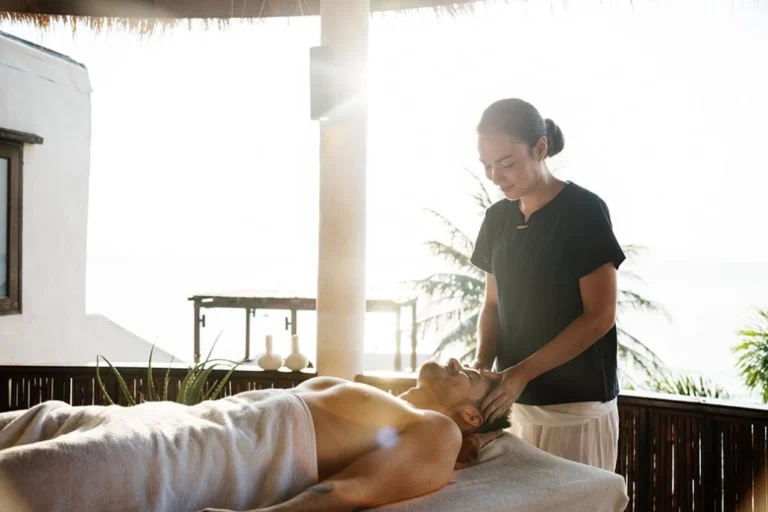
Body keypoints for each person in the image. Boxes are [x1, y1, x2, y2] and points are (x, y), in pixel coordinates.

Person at [0, 358, 508, 512]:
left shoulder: (437, 431)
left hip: (178, 456)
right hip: (156, 420)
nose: (461, 363)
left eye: (476, 375)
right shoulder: (388, 404)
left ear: (470, 416)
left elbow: (350, 491)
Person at [469, 98, 625, 472]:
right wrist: (480, 369)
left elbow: (600, 316)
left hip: (576, 409)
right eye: (487, 166)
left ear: (540, 148)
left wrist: (520, 373)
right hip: (513, 407)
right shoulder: (497, 218)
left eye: (506, 163)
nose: (496, 176)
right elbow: (493, 305)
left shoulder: (583, 211)